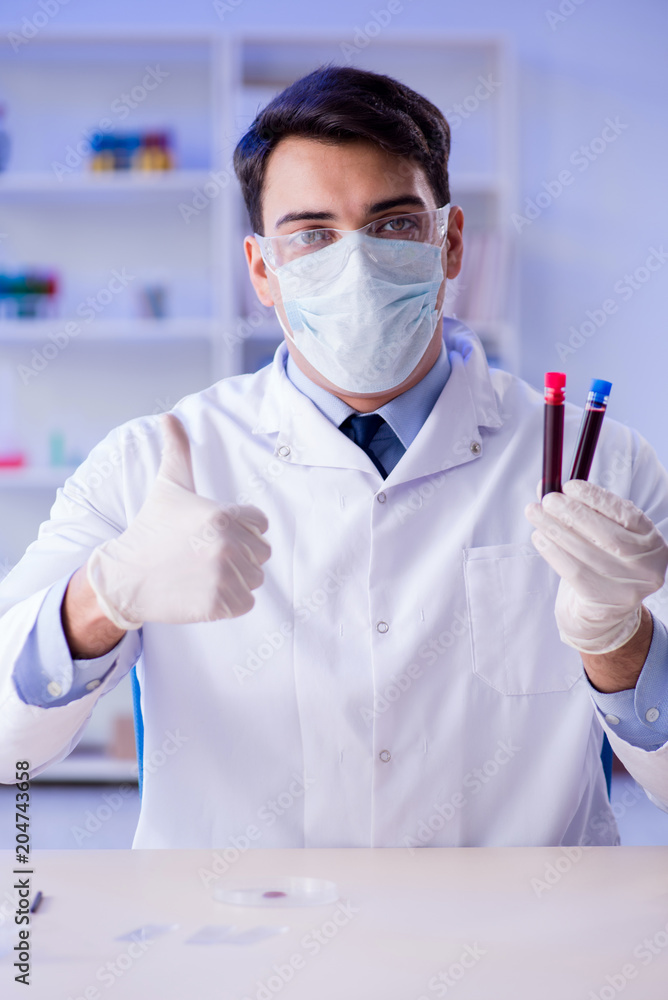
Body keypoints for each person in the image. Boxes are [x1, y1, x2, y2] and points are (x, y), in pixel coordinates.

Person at [1, 66, 667, 851]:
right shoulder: (153, 462)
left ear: (450, 242)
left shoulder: (599, 466)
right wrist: (100, 598)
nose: (355, 266)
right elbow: (13, 745)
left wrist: (616, 638)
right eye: (312, 234)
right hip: (234, 953)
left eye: (392, 225)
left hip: (519, 954)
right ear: (262, 271)